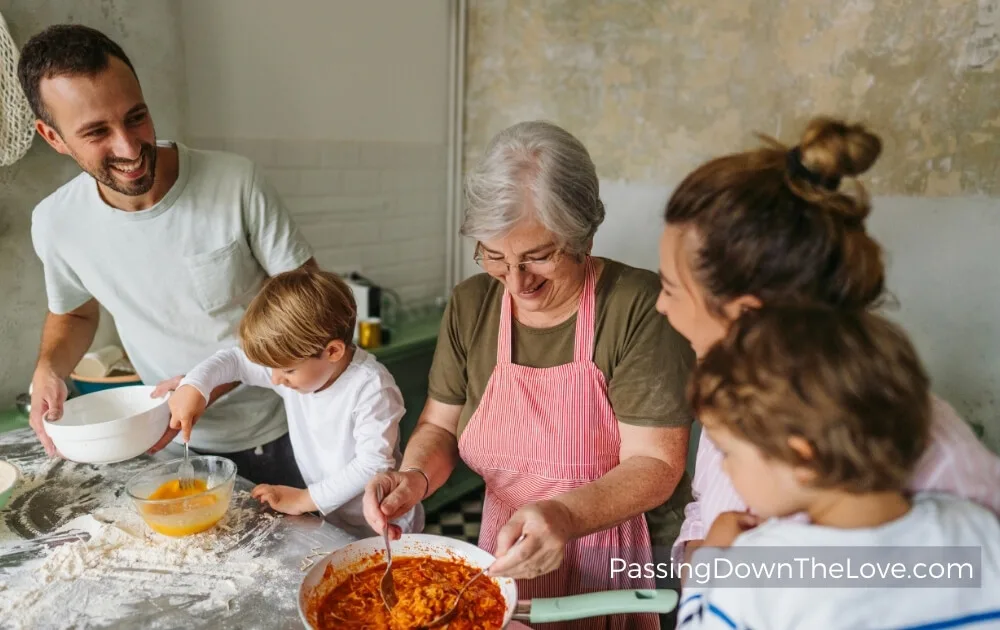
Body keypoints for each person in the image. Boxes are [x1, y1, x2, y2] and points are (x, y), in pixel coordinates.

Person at [363, 121, 695, 630]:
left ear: (582, 235)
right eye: (495, 257)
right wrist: (414, 478)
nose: (517, 282)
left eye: (538, 257)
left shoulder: (637, 306)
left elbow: (656, 463)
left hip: (624, 558)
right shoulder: (471, 305)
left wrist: (565, 515)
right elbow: (440, 428)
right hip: (507, 545)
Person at [655, 116, 1000, 565]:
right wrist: (702, 559)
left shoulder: (935, 459)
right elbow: (707, 506)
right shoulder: (736, 398)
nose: (661, 307)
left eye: (670, 289)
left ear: (745, 316)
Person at [19, 25, 315, 486]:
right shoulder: (56, 222)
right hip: (166, 440)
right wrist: (48, 369)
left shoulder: (236, 183)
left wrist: (209, 381)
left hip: (284, 431)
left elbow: (310, 308)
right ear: (53, 137)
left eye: (136, 117)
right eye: (97, 131)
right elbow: (75, 316)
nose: (129, 146)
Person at [676, 306, 1000, 629]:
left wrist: (711, 562)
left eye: (728, 453)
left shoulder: (759, 568)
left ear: (801, 459)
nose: (725, 470)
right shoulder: (977, 529)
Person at [166, 268, 423, 538]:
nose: (275, 379)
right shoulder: (299, 368)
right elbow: (236, 361)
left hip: (385, 523)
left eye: (287, 371)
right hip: (333, 518)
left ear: (332, 351)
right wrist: (195, 384)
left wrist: (303, 499)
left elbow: (372, 465)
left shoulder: (372, 387)